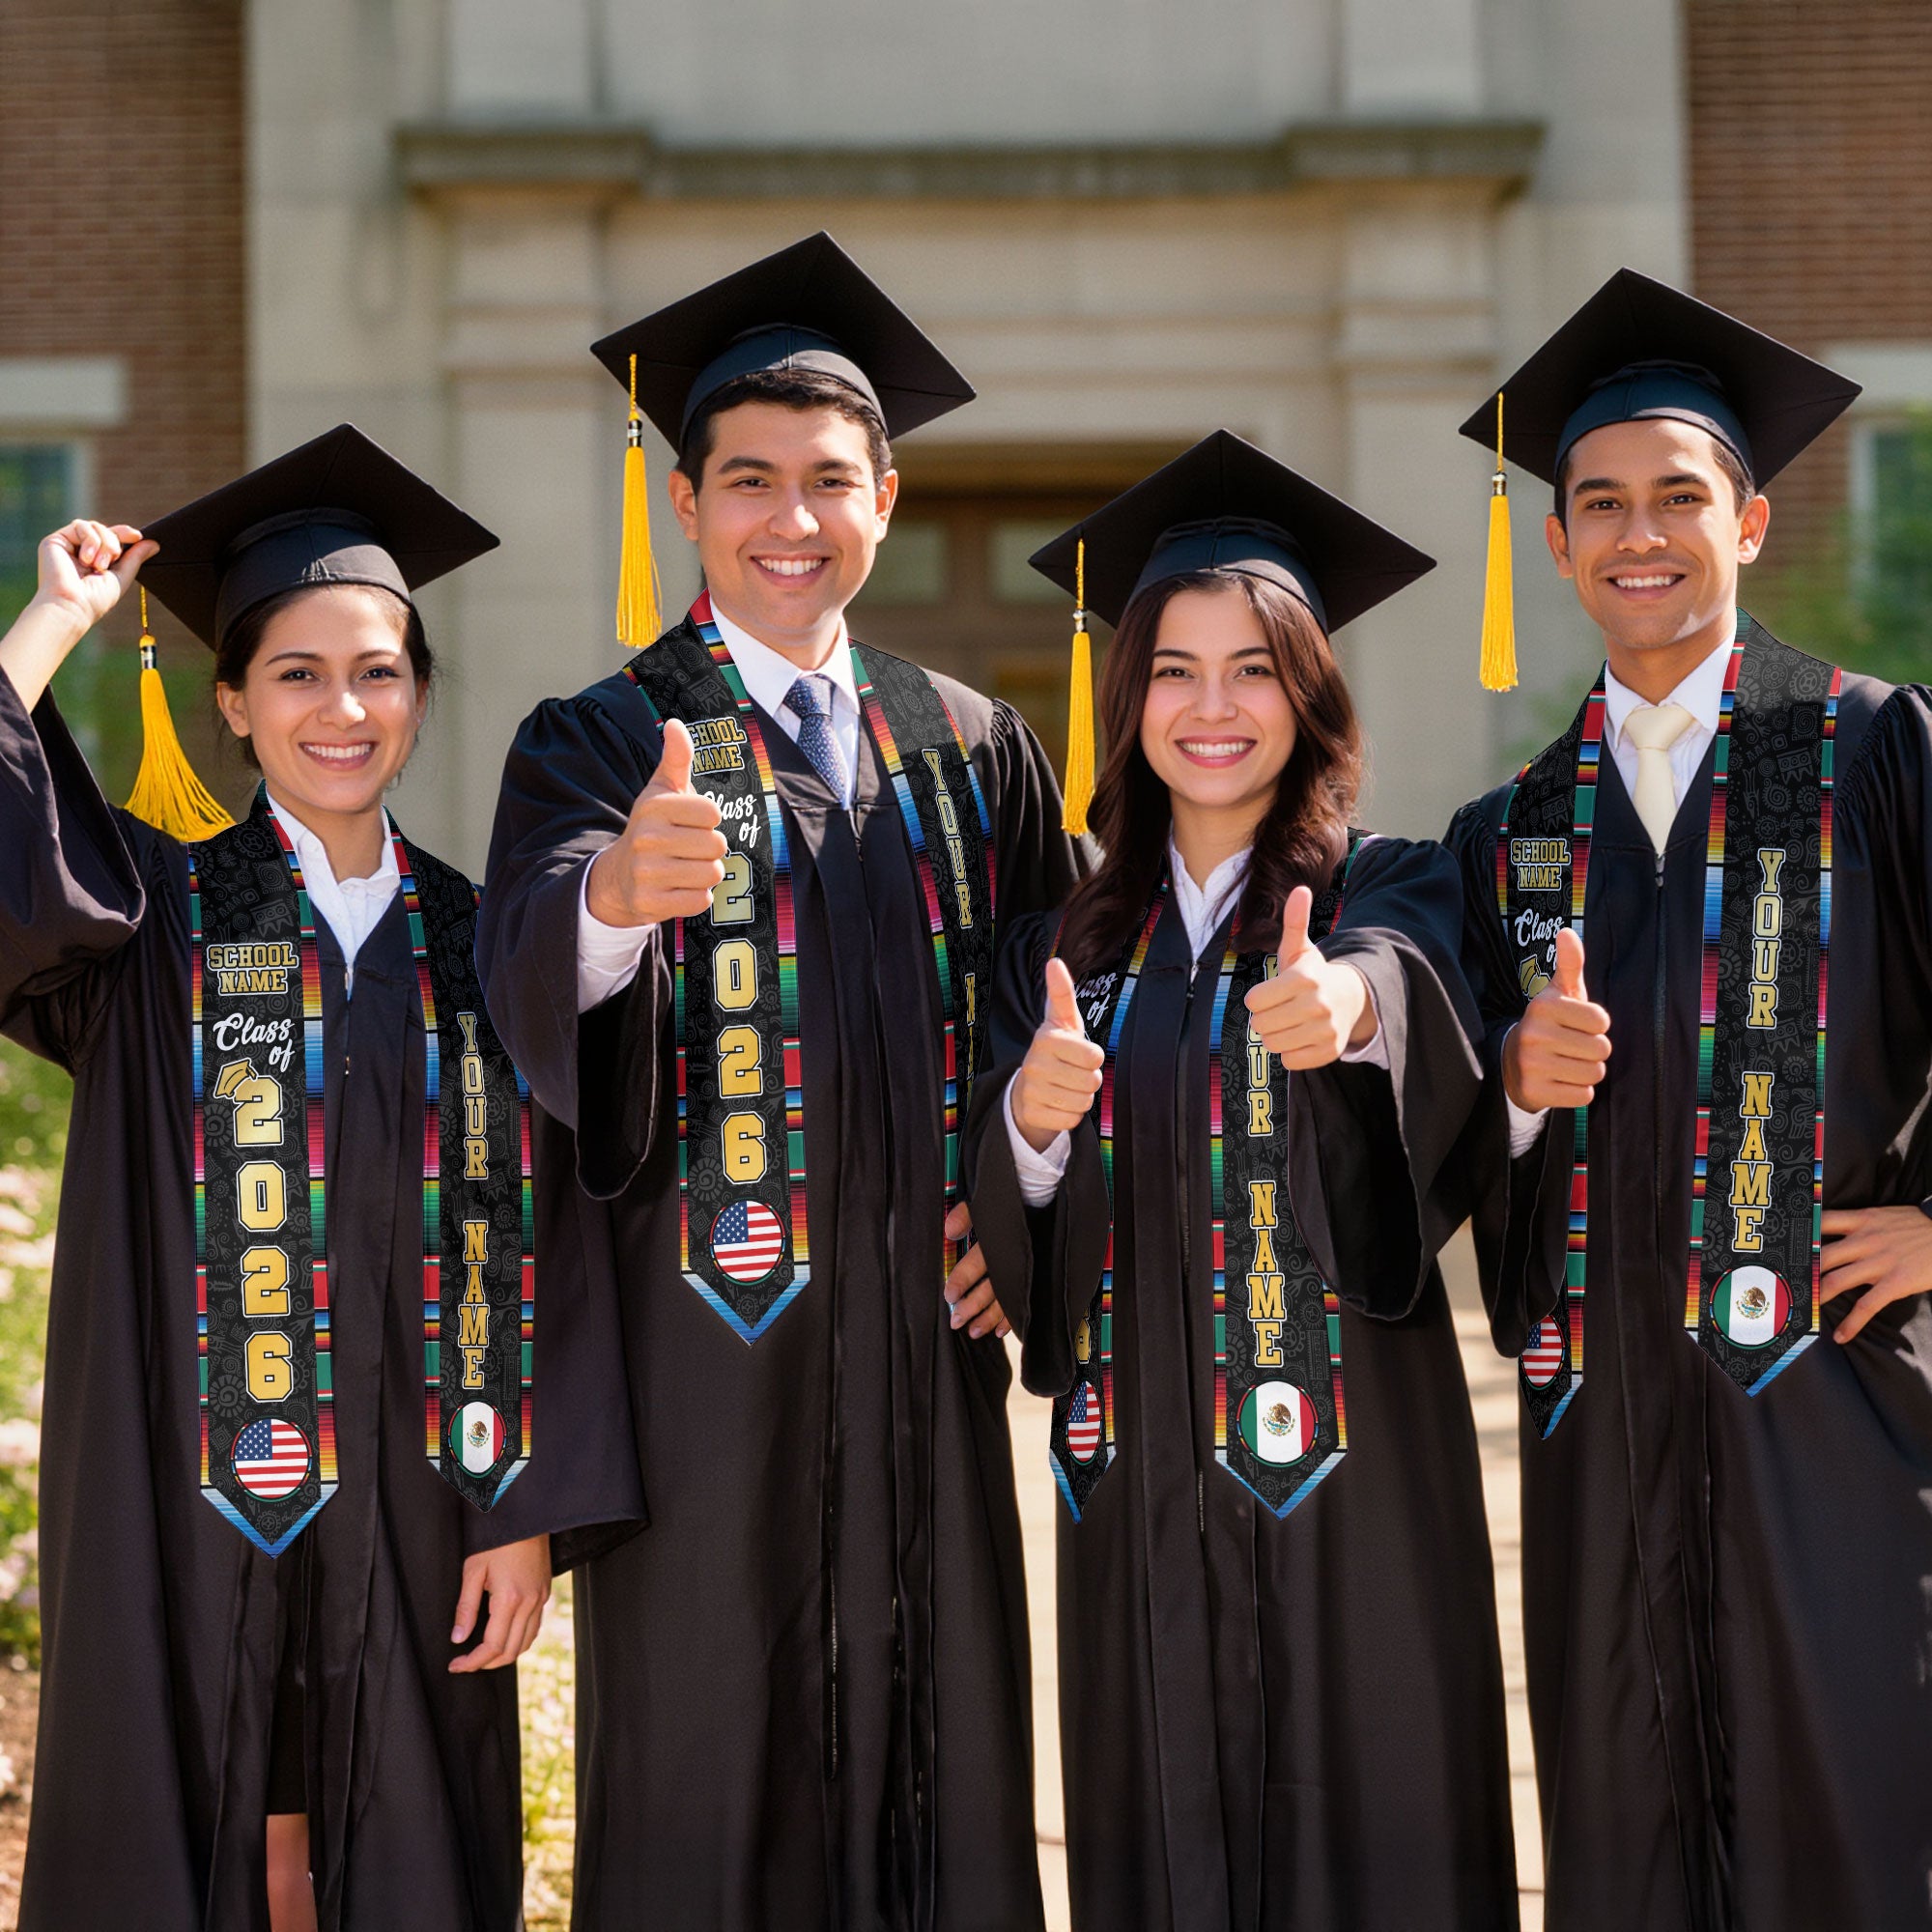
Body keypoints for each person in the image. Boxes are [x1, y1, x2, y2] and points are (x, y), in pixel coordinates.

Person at [478, 233, 1083, 1930]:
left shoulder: (971, 740)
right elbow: (521, 965)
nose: (790, 519)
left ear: (886, 497)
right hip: (705, 1367)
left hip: (923, 1357)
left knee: (942, 1762)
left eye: (831, 481)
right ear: (687, 502)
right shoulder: (599, 739)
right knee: (709, 1778)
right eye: (750, 481)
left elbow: (1074, 1007)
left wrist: (1019, 1207)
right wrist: (610, 899)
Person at [0, 425, 639, 1932]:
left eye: (377, 671)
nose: (340, 708)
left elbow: (566, 1236)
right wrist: (50, 625)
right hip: (185, 1485)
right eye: (295, 673)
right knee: (192, 1811)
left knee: (408, 1838)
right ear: (231, 701)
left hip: (430, 1498)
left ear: (418, 695)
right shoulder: (151, 922)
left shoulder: (495, 944)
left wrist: (529, 1507)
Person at [965, 432, 1518, 1931]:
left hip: (1358, 1482)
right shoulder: (1064, 949)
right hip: (1137, 1477)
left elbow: (1410, 989)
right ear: (1127, 696)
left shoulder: (1387, 885)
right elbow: (1015, 1221)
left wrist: (1347, 1013)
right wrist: (1027, 1118)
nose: (1214, 709)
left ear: (1311, 693)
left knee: (1378, 1831)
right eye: (1175, 670)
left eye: (1256, 668)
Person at [1446, 270, 1932, 1931]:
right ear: (1562, 542)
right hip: (1603, 1426)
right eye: (1599, 504)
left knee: (1854, 1810)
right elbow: (1447, 1141)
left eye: (1678, 497)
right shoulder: (1511, 830)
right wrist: (1512, 1091)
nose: (1637, 534)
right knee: (1624, 1823)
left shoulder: (1870, 752)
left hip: (1837, 1406)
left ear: (1752, 520)